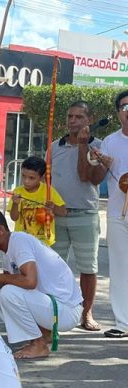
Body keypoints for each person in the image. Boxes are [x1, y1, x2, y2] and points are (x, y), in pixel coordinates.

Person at [0, 208, 83, 359]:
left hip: (66, 310)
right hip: (53, 307)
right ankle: (43, 334)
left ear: (0, 230)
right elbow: (9, 279)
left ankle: (39, 344)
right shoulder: (6, 247)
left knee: (8, 293)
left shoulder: (19, 241)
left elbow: (30, 281)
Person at [51, 101, 106, 331]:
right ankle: (57, 310)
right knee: (54, 266)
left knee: (88, 268)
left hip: (85, 213)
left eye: (79, 117)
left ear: (89, 120)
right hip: (56, 214)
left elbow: (88, 178)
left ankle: (87, 313)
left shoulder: (99, 147)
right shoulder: (54, 146)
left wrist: (83, 145)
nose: (73, 121)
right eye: (70, 116)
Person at [89, 90, 128, 339]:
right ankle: (123, 322)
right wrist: (100, 161)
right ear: (117, 113)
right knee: (120, 268)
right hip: (117, 212)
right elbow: (98, 176)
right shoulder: (110, 141)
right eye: (124, 106)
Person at [7, 155, 66, 246]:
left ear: (42, 177)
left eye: (31, 178)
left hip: (44, 242)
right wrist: (15, 204)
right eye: (23, 176)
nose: (26, 181)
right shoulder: (18, 191)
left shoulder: (48, 191)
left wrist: (54, 207)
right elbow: (14, 218)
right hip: (23, 241)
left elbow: (63, 212)